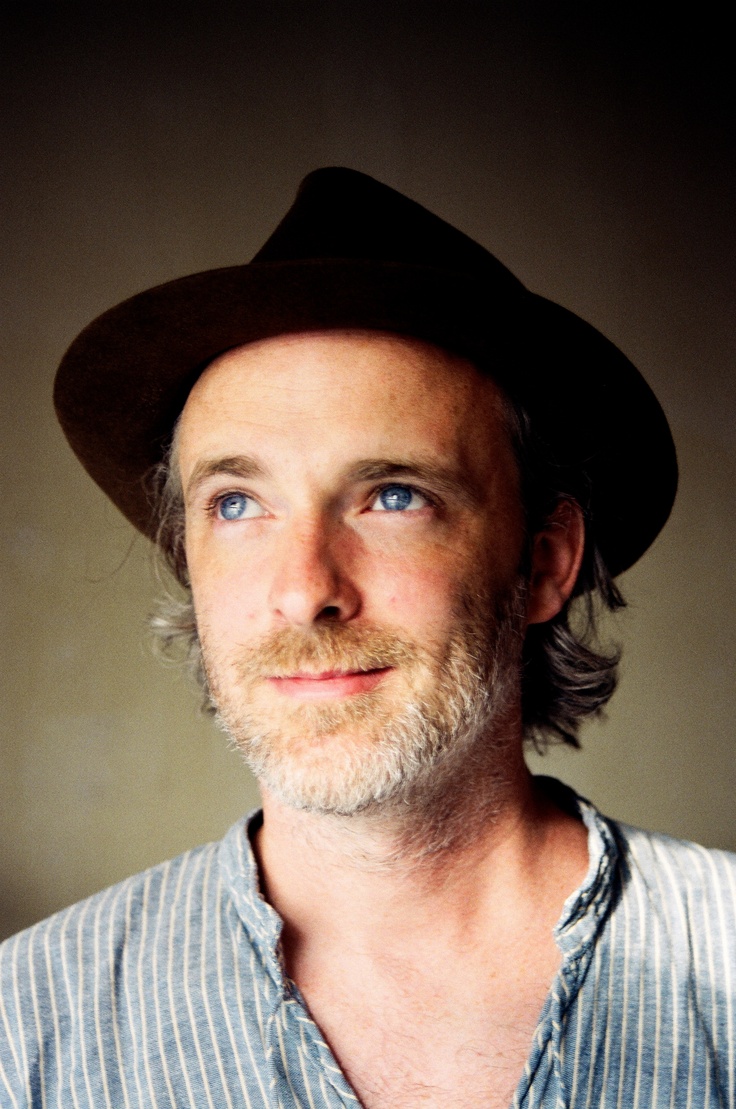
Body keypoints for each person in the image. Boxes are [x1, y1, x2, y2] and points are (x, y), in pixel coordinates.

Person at [0, 167, 733, 1109]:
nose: (306, 589)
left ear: (545, 562)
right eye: (237, 503)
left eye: (394, 497)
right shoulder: (28, 1029)